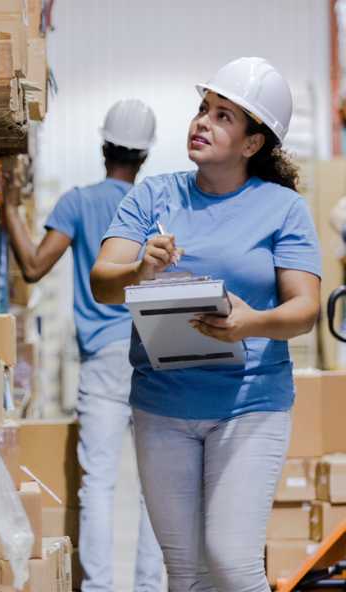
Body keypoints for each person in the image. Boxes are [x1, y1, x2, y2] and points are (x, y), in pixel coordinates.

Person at [90, 57, 321, 592]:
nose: (201, 122)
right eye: (202, 109)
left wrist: (253, 322)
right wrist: (139, 268)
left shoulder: (283, 209)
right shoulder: (152, 196)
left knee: (232, 561)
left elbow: (304, 309)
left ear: (251, 144)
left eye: (222, 116)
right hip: (163, 404)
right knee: (187, 573)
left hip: (249, 404)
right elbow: (103, 283)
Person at [2, 99, 164, 592]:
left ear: (103, 147)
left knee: (98, 485)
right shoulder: (153, 206)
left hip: (102, 360)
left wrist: (8, 207)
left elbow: (32, 266)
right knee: (156, 490)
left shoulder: (77, 202)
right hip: (155, 355)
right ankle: (150, 587)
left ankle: (97, 588)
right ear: (144, 158)